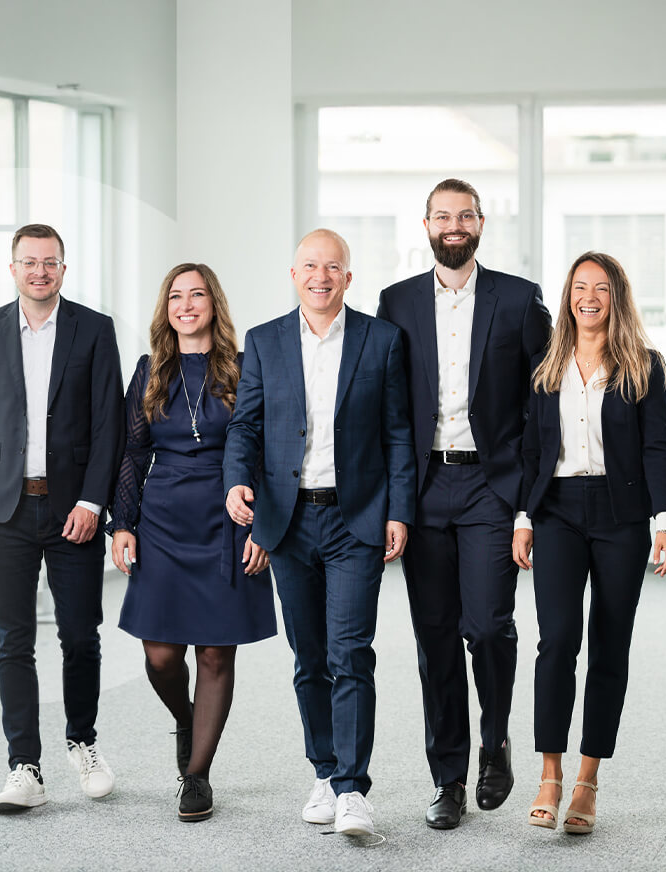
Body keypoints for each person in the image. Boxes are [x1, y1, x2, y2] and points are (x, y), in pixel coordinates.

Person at [223, 229, 415, 839]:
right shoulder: (264, 341)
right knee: (308, 658)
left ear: (348, 278)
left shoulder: (382, 340)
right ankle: (325, 773)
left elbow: (398, 434)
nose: (321, 277)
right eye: (310, 265)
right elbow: (245, 428)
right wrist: (235, 482)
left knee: (350, 652)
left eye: (333, 267)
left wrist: (398, 511)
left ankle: (354, 788)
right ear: (293, 273)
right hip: (288, 520)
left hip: (355, 518)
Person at [376, 178, 552, 828]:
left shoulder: (519, 299)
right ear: (425, 224)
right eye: (442, 216)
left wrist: (529, 504)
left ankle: (495, 738)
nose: (454, 225)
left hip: (490, 486)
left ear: (481, 223)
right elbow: (388, 409)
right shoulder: (395, 303)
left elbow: (545, 403)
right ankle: (447, 778)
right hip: (423, 490)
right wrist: (391, 502)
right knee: (436, 641)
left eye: (465, 215)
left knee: (486, 627)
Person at [0, 223, 124, 813]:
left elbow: (110, 427)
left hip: (73, 507)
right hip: (5, 509)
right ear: (13, 268)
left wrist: (92, 502)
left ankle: (84, 742)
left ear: (64, 269)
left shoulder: (94, 331)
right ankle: (24, 765)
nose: (40, 271)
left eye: (50, 262)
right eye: (29, 262)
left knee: (80, 635)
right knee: (13, 639)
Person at [513, 251, 666, 835]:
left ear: (617, 298)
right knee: (556, 640)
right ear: (568, 297)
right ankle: (549, 773)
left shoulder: (643, 366)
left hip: (622, 515)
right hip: (556, 509)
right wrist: (523, 518)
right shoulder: (546, 365)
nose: (589, 297)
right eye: (580, 287)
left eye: (601, 288)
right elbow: (533, 451)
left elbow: (658, 446)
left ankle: (587, 780)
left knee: (610, 644)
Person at [108, 263, 276, 822]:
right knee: (160, 653)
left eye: (197, 294)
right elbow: (132, 452)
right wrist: (123, 523)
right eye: (176, 296)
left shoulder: (246, 367)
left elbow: (269, 454)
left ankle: (197, 775)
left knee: (213, 650)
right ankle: (187, 717)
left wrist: (263, 528)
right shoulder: (150, 368)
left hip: (230, 516)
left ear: (213, 304)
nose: (186, 305)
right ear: (166, 308)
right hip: (162, 518)